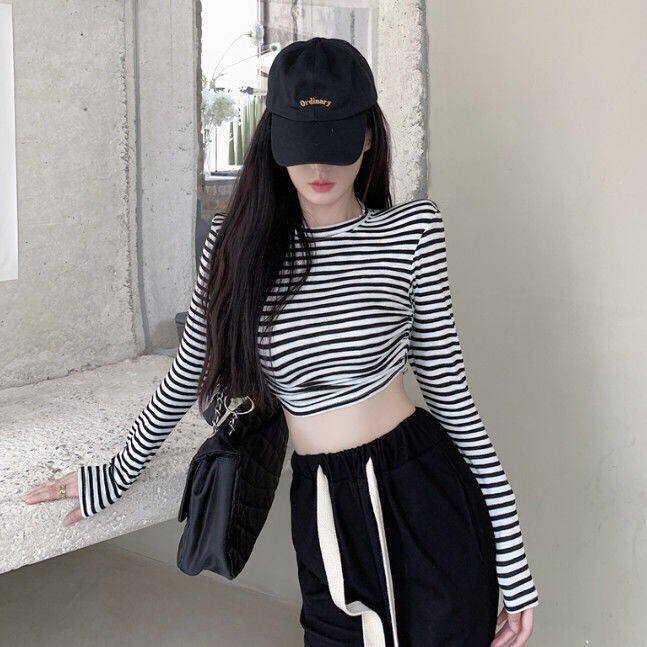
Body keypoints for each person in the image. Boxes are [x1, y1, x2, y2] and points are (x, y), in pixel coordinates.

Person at [22, 37, 538, 646]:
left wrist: (514, 562)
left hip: (423, 488)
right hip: (321, 499)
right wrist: (112, 476)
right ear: (274, 140)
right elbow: (187, 373)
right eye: (302, 144)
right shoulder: (235, 247)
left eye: (334, 143)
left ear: (367, 137)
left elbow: (452, 398)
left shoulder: (413, 232)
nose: (318, 168)